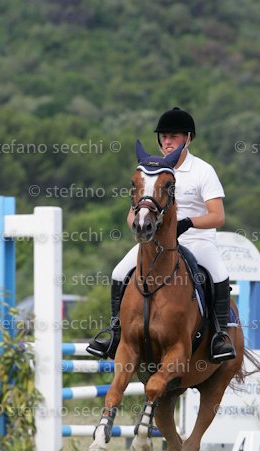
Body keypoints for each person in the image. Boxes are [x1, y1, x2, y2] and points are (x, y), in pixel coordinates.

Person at [87, 107, 236, 362]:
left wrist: (188, 222)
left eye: (174, 136)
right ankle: (114, 332)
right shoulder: (150, 171)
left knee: (219, 274)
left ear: (188, 138)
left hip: (196, 239)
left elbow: (218, 216)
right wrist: (139, 225)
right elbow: (132, 213)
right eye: (164, 136)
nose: (167, 142)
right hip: (156, 243)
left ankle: (219, 336)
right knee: (119, 272)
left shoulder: (203, 170)